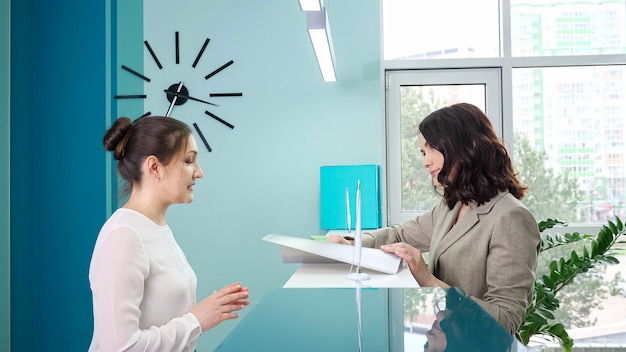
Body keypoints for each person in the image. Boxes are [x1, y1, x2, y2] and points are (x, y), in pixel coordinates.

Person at [328, 103, 541, 334]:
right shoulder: (453, 206)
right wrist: (352, 242)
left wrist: (429, 282)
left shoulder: (511, 217)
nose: (425, 161)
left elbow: (506, 321)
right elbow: (400, 234)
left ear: (469, 145)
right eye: (423, 152)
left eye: (432, 149)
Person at [89, 116, 249, 351]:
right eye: (189, 160)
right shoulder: (124, 236)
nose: (199, 172)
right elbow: (120, 347)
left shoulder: (154, 228)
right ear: (154, 167)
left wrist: (207, 312)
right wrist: (197, 320)